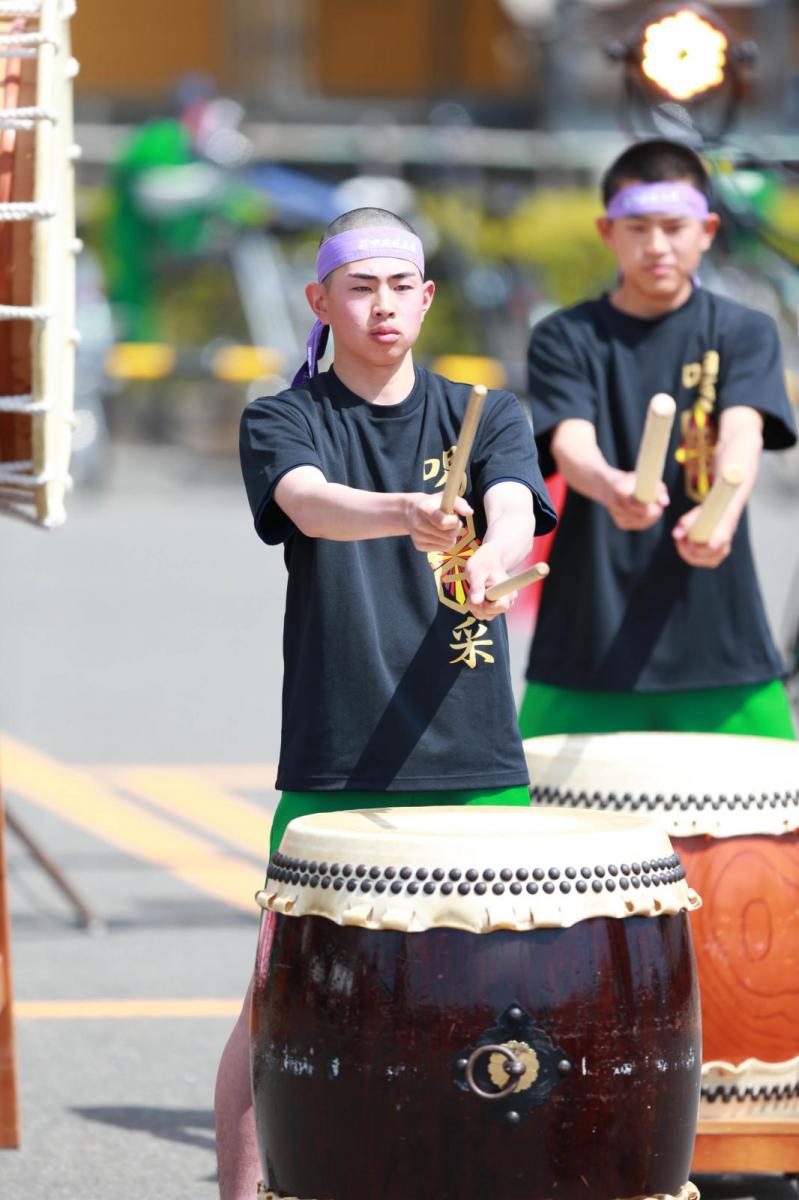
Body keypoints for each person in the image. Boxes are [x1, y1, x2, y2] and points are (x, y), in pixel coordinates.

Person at [215, 206, 556, 1198]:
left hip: (475, 757)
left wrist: (493, 559)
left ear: (426, 297)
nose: (382, 306)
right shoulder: (285, 417)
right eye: (359, 287)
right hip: (339, 757)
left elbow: (510, 508)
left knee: (500, 1011)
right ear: (320, 301)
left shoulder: (483, 412)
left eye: (400, 286)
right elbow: (308, 502)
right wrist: (404, 513)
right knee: (279, 1002)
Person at [518, 138, 798, 742]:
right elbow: (569, 442)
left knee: (770, 796)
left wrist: (721, 515)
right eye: (638, 228)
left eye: (674, 228)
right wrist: (610, 486)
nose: (657, 246)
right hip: (589, 631)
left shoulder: (743, 330)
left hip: (720, 634)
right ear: (607, 231)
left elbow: (743, 431)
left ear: (708, 230)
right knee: (536, 796)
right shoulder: (566, 336)